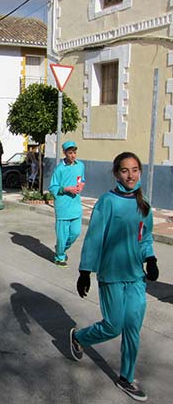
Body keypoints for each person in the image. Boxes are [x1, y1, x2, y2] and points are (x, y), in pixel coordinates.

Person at [70, 152, 158, 402]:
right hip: (111, 275)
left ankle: (126, 378)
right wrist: (85, 271)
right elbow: (94, 237)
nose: (130, 175)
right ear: (116, 174)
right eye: (125, 170)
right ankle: (79, 337)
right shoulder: (107, 202)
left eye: (135, 170)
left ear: (140, 172)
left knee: (132, 327)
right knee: (113, 325)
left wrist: (151, 258)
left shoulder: (144, 204)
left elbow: (145, 238)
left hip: (136, 277)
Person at [48, 141, 85, 267]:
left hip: (76, 206)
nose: (73, 155)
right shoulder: (59, 169)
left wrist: (81, 186)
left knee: (75, 232)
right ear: (64, 153)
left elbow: (82, 180)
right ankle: (59, 257)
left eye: (74, 152)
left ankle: (61, 248)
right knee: (62, 236)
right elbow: (53, 187)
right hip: (63, 206)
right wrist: (66, 189)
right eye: (70, 153)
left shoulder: (80, 165)